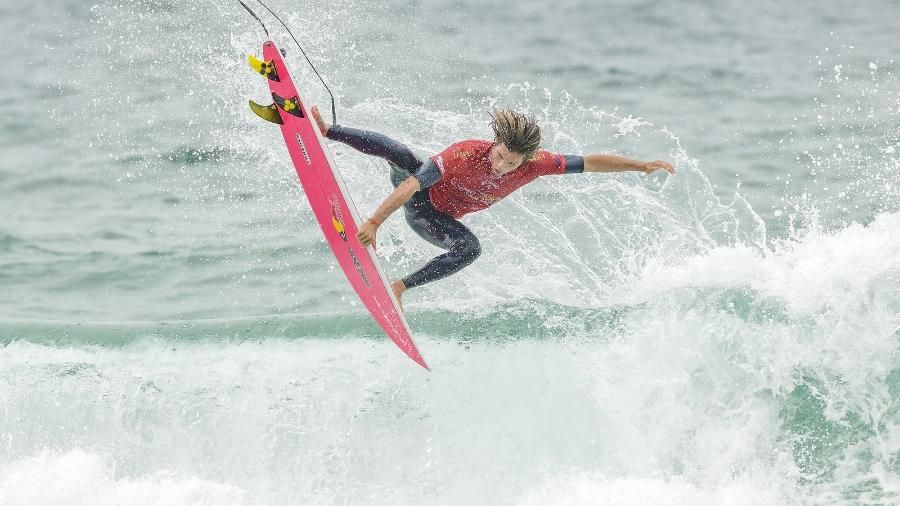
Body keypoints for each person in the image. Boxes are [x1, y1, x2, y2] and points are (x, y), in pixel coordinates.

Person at [310, 106, 675, 309]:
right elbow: (409, 185)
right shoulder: (465, 153)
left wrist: (640, 166)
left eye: (512, 163)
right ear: (495, 142)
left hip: (432, 220)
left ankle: (400, 287)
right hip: (420, 198)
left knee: (471, 249)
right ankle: (328, 131)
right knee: (404, 157)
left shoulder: (538, 164)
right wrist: (374, 222)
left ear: (527, 159)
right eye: (500, 155)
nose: (502, 166)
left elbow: (589, 163)